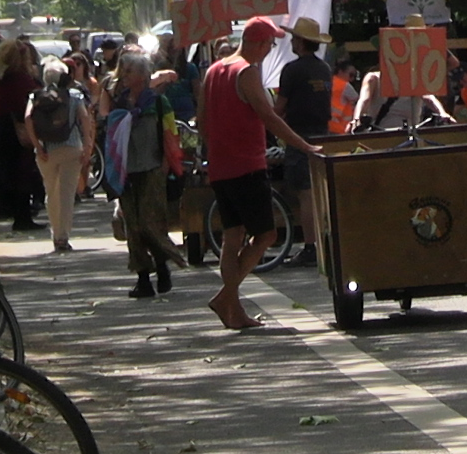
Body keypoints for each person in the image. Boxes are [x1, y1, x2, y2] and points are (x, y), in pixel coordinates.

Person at [197, 17, 322, 329]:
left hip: (221, 166)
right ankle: (226, 296)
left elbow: (201, 120)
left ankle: (233, 309)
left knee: (232, 236)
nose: (270, 50)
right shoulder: (246, 71)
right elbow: (269, 118)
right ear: (257, 42)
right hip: (246, 166)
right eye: (269, 44)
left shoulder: (214, 70)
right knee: (266, 234)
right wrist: (303, 145)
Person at [99, 51, 187, 297]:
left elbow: (170, 136)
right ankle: (143, 278)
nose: (124, 75)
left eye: (130, 71)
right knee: (133, 227)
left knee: (151, 223)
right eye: (123, 70)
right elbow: (107, 126)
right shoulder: (121, 102)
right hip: (126, 172)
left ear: (144, 75)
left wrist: (167, 165)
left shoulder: (158, 103)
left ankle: (163, 267)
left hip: (152, 170)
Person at [273, 16, 334, 269]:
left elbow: (280, 107)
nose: (291, 42)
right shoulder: (324, 69)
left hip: (299, 136)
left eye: (294, 38)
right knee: (321, 192)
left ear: (301, 42)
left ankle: (310, 245)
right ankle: (324, 241)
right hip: (323, 134)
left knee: (306, 194)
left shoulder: (292, 70)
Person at [25, 58, 95, 252]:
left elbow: (28, 118)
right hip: (72, 148)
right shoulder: (74, 95)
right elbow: (84, 118)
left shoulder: (35, 97)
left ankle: (55, 233)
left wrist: (37, 146)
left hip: (47, 151)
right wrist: (88, 144)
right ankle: (63, 236)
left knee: (51, 192)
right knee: (66, 193)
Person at [0, 38, 44, 231]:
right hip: (19, 130)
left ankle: (20, 214)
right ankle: (23, 217)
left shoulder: (5, 78)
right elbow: (29, 102)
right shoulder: (21, 79)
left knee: (15, 173)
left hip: (5, 129)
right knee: (23, 173)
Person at [328, 58, 359, 134]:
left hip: (328, 124)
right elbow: (358, 99)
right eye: (351, 75)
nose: (352, 79)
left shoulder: (328, 81)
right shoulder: (345, 85)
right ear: (340, 72)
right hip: (339, 126)